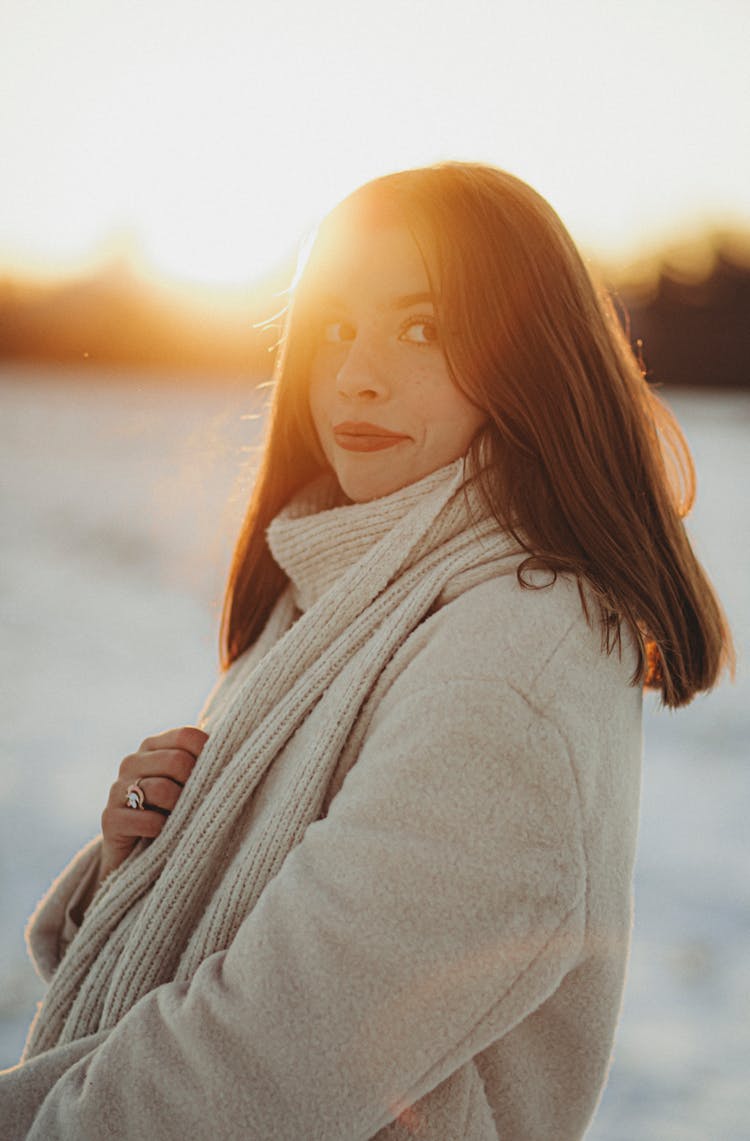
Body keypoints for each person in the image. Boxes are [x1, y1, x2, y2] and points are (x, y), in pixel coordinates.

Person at [2, 162, 733, 1140]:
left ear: (531, 360)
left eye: (422, 327)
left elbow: (254, 1069)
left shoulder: (506, 665)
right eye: (335, 328)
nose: (358, 373)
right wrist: (149, 855)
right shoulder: (350, 582)